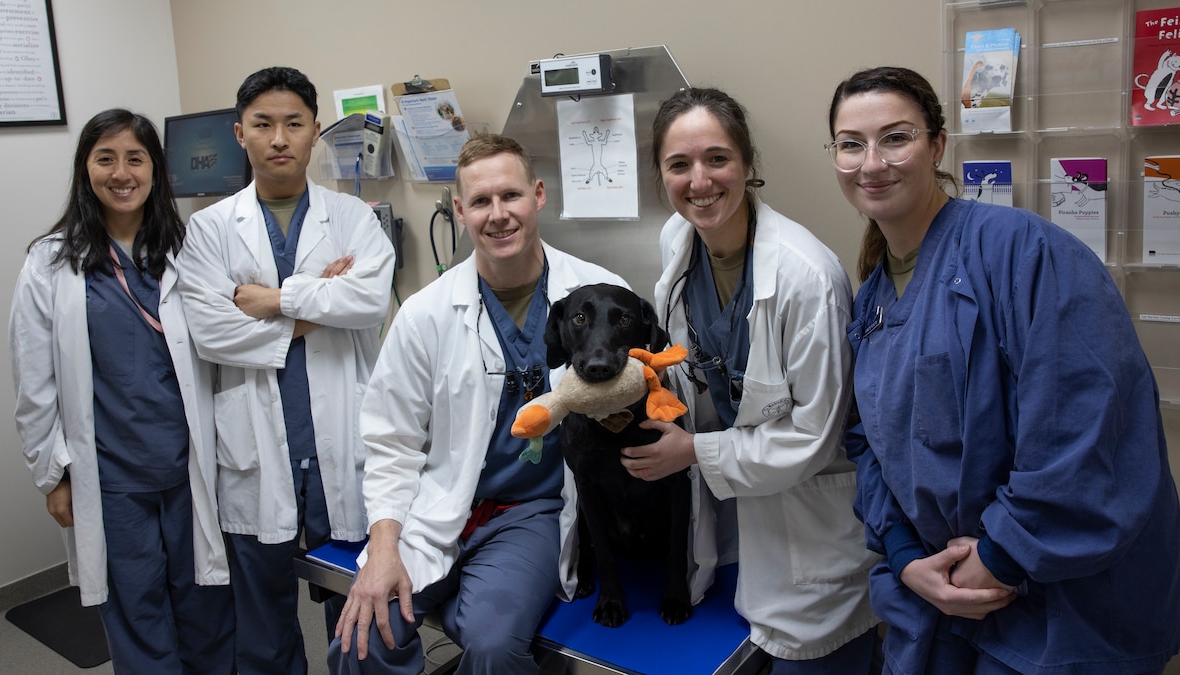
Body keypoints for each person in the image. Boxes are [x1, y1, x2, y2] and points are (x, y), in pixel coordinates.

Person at [827, 66, 1180, 674]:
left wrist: (1000, 556)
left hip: (1054, 607)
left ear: (937, 145)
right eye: (851, 144)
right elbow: (871, 444)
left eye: (896, 137)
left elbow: (1087, 424)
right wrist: (907, 553)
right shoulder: (874, 301)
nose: (872, 162)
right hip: (941, 594)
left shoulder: (1025, 252)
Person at [328, 133, 625, 674]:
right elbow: (391, 443)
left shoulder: (600, 296)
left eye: (510, 196)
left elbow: (639, 400)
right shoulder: (425, 314)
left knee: (491, 646)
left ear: (537, 195)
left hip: (530, 513)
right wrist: (384, 547)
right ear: (460, 211)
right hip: (437, 502)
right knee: (362, 636)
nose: (498, 215)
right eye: (481, 202)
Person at [621, 87, 880, 673]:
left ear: (748, 164)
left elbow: (812, 436)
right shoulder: (678, 243)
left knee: (808, 659)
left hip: (810, 523)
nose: (700, 181)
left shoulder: (805, 277)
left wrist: (692, 450)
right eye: (678, 165)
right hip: (740, 522)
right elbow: (700, 364)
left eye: (717, 159)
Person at [176, 66, 395, 675]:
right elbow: (213, 333)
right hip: (252, 444)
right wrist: (317, 304)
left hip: (340, 441)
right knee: (263, 618)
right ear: (238, 133)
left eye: (294, 124)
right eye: (263, 124)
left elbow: (369, 302)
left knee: (358, 606)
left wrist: (273, 301)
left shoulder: (352, 217)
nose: (279, 138)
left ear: (315, 131)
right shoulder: (209, 228)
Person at [9, 108, 234, 674]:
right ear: (86, 169)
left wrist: (310, 295)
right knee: (136, 609)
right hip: (110, 477)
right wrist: (53, 473)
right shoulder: (50, 263)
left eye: (135, 158)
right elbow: (34, 382)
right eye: (105, 158)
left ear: (155, 170)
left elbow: (238, 321)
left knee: (207, 605)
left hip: (191, 468)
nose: (121, 172)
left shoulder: (188, 251)